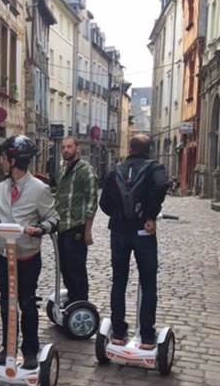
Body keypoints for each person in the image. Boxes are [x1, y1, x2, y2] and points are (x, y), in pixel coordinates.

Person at [0, 135, 59, 370]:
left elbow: (53, 218)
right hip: (3, 254)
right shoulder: (2, 187)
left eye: (3, 157)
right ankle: (9, 346)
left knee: (26, 302)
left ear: (13, 161)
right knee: (6, 301)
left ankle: (30, 350)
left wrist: (41, 228)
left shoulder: (39, 189)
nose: (1, 161)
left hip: (27, 256)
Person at [99, 133, 169, 348]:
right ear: (149, 150)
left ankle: (118, 333)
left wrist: (118, 214)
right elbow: (161, 186)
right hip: (143, 231)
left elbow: (104, 203)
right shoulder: (155, 168)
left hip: (119, 231)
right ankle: (146, 336)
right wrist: (149, 215)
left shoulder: (116, 170)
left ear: (129, 149)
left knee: (119, 281)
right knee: (148, 283)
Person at [54, 136, 98, 304]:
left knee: (76, 270)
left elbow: (92, 201)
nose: (66, 150)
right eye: (63, 147)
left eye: (69, 146)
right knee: (65, 268)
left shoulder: (85, 170)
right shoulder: (63, 170)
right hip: (62, 227)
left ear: (77, 148)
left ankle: (81, 304)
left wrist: (88, 231)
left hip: (76, 228)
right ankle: (73, 301)